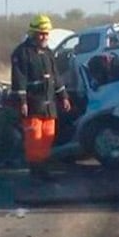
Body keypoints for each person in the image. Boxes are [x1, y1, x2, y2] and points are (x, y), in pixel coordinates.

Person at [11, 14, 71, 181]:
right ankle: (35, 170)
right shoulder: (22, 53)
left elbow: (56, 77)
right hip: (32, 104)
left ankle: (43, 168)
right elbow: (18, 80)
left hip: (49, 105)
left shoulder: (48, 53)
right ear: (33, 34)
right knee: (34, 139)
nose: (44, 37)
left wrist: (64, 97)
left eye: (46, 33)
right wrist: (22, 102)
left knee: (47, 137)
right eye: (41, 33)